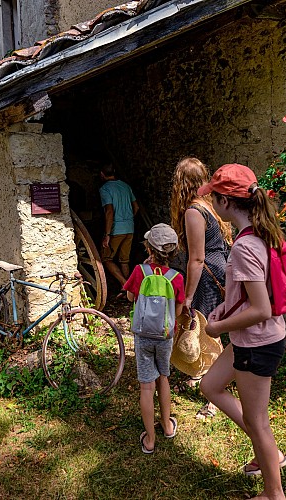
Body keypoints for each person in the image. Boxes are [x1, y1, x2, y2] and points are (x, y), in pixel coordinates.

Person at [198, 163, 286, 500]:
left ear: (225, 201)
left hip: (257, 343)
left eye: (213, 198)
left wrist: (217, 325)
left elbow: (261, 308)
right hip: (253, 338)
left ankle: (273, 493)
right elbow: (252, 295)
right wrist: (226, 306)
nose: (211, 204)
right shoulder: (257, 234)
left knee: (259, 422)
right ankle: (268, 454)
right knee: (210, 385)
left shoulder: (245, 247)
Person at [170, 157, 232, 419]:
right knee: (212, 330)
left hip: (208, 274)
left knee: (210, 330)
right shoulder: (209, 206)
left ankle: (215, 398)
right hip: (220, 268)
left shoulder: (194, 211)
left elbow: (197, 258)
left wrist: (188, 296)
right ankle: (203, 375)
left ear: (181, 184)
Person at [123, 224, 185, 454]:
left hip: (143, 335)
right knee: (164, 378)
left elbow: (130, 296)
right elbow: (178, 312)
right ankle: (167, 426)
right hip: (165, 336)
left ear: (149, 247)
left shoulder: (140, 271)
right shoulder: (177, 277)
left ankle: (150, 439)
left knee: (147, 387)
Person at [99, 163, 139, 296]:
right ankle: (128, 290)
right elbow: (136, 207)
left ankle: (125, 284)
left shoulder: (105, 189)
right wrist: (127, 219)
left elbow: (109, 211)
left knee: (106, 258)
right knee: (124, 260)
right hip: (129, 227)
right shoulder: (125, 186)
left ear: (102, 174)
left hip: (116, 229)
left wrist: (107, 234)